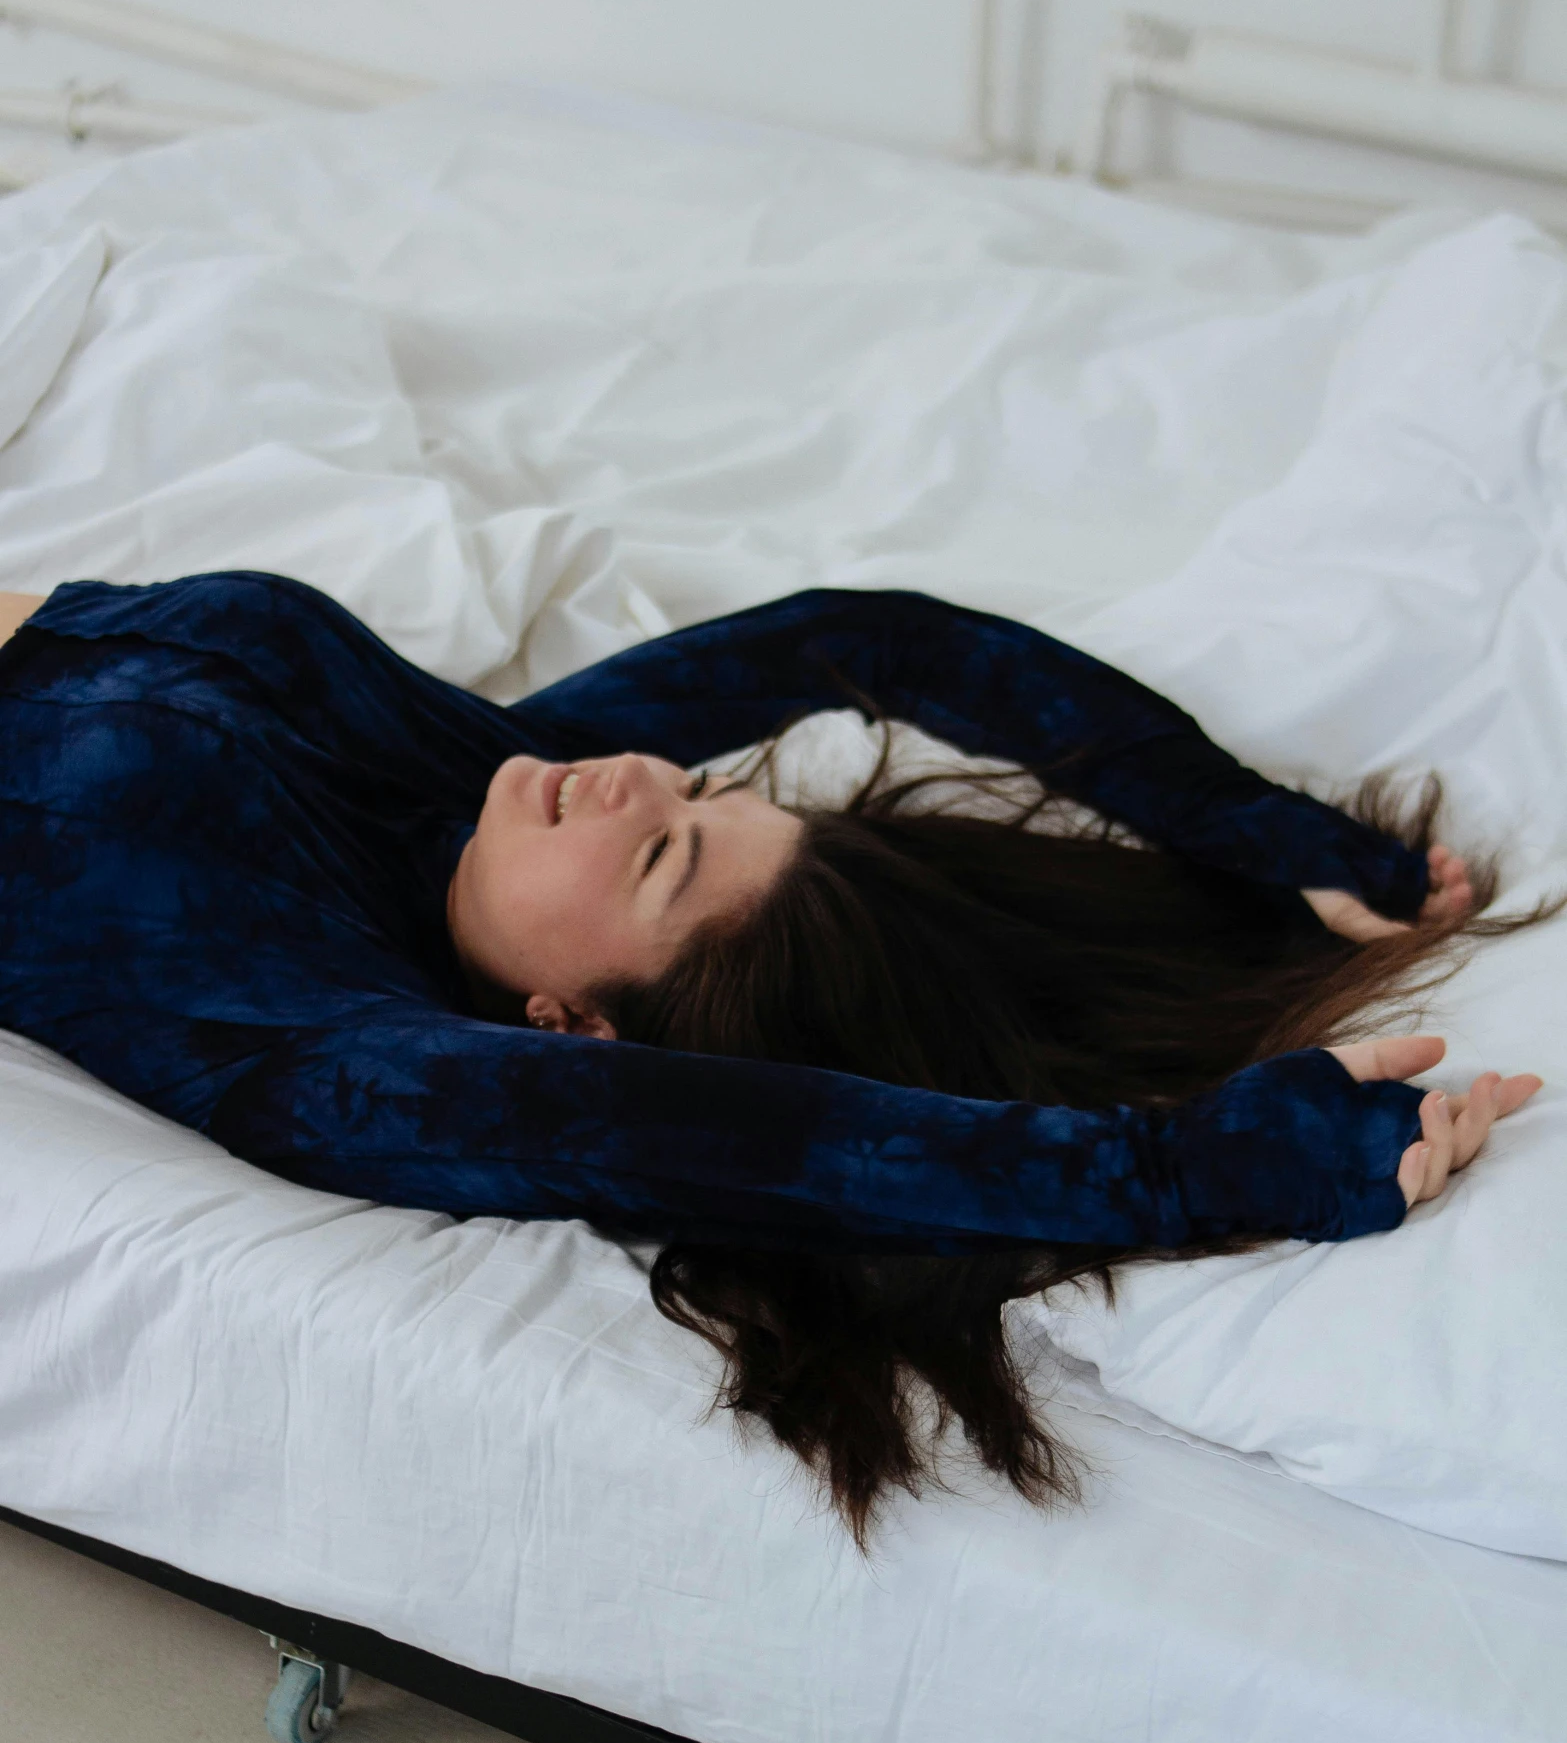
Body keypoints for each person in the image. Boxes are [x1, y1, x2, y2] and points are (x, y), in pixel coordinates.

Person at [0, 572, 1542, 1537]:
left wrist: (1177, 1169)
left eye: (666, 853)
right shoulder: (478, 793)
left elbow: (728, 1138)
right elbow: (856, 640)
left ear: (573, 1025)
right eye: (703, 794)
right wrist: (1263, 832)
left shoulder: (334, 1051)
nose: (636, 777)